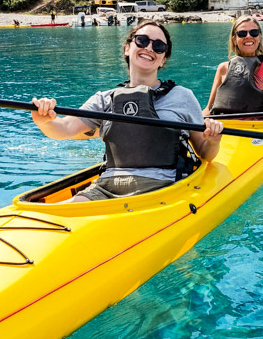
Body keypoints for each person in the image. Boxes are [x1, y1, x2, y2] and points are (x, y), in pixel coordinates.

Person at [32, 20, 224, 202]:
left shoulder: (182, 97)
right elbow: (63, 128)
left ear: (163, 59)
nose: (149, 48)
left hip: (164, 188)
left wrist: (213, 140)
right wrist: (44, 121)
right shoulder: (104, 99)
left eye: (158, 46)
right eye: (142, 40)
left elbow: (205, 153)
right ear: (127, 48)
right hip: (106, 188)